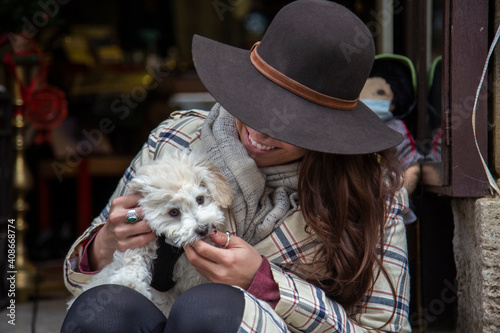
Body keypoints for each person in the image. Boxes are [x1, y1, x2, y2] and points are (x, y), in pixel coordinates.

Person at [61, 1, 412, 332]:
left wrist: (265, 283)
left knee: (209, 308)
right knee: (104, 312)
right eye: (255, 104)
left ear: (328, 129)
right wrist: (104, 243)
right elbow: (75, 276)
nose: (258, 132)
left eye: (287, 123)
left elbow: (381, 327)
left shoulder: (374, 191)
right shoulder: (176, 138)